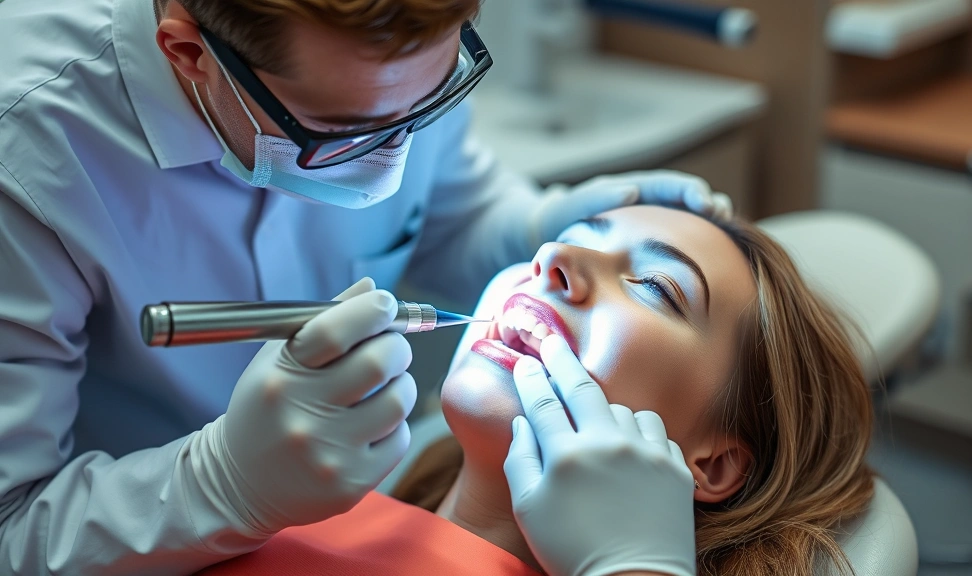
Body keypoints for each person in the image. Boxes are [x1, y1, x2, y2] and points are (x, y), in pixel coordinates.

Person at [0, 0, 733, 574]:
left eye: (658, 288)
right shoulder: (27, 147)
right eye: (348, 133)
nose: (398, 159)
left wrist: (530, 223)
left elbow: (454, 215)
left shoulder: (397, 65)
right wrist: (219, 485)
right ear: (190, 54)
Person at [194, 205, 877, 576]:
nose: (554, 261)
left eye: (654, 288)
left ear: (710, 461)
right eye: (565, 240)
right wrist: (210, 487)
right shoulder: (310, 503)